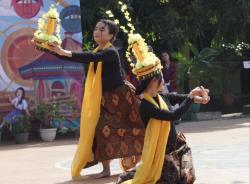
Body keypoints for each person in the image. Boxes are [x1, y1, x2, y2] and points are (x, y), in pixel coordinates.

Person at [35, 19, 145, 179]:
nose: (97, 32)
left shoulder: (110, 52)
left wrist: (64, 52)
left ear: (111, 35)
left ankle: (138, 165)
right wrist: (51, 50)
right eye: (96, 28)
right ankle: (106, 170)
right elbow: (82, 57)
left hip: (122, 99)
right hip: (104, 99)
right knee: (100, 130)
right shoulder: (98, 51)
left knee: (135, 129)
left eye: (102, 29)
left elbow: (88, 57)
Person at [116, 54, 210, 183]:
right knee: (168, 180)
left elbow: (182, 98)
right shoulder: (145, 106)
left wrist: (199, 98)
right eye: (161, 77)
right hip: (161, 153)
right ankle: (132, 174)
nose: (163, 80)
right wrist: (191, 96)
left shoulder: (162, 97)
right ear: (154, 80)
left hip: (178, 148)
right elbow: (173, 115)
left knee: (188, 177)